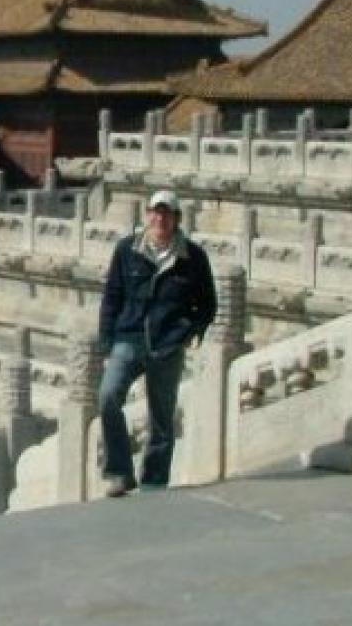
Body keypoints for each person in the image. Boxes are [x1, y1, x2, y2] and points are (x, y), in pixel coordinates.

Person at [97, 190, 216, 497]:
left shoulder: (192, 257)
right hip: (129, 339)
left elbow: (207, 304)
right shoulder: (127, 251)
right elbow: (112, 296)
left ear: (177, 218)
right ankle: (120, 472)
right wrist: (107, 340)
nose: (159, 218)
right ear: (146, 215)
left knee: (161, 419)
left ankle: (154, 481)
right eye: (154, 212)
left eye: (166, 213)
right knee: (108, 397)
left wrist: (188, 331)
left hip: (167, 344)